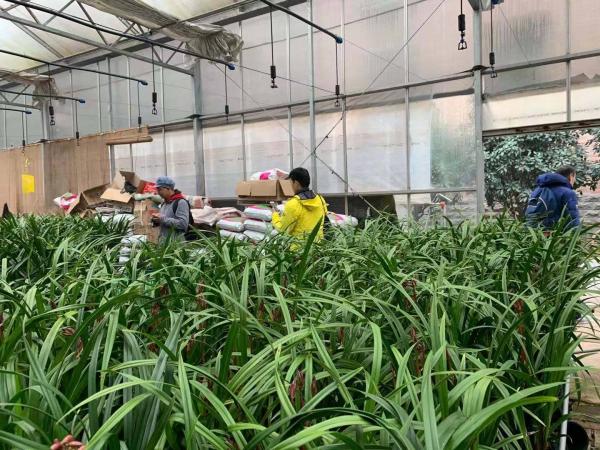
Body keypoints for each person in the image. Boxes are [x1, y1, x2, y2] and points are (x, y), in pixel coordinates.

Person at [271, 168, 328, 244]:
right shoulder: (320, 199)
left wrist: (275, 215)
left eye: (290, 182)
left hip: (299, 249)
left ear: (296, 183)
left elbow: (283, 230)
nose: (290, 185)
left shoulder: (293, 204)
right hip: (317, 247)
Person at [525, 165, 581, 230]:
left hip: (533, 231)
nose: (574, 180)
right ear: (571, 176)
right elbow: (572, 219)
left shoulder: (537, 190)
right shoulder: (567, 192)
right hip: (555, 233)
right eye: (574, 177)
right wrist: (576, 233)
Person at [151, 176, 192, 242]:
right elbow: (164, 221)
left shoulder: (180, 202)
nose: (158, 192)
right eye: (157, 190)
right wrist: (156, 221)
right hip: (164, 244)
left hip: (176, 245)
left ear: (168, 188)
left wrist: (162, 219)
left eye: (160, 189)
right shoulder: (164, 203)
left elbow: (183, 224)